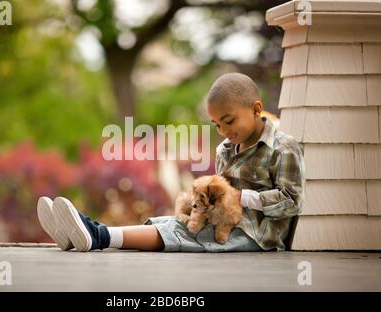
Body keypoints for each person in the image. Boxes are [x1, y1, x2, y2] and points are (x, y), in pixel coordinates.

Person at [37, 73, 305, 252]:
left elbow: (292, 201)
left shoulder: (284, 148)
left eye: (229, 121)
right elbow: (220, 192)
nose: (222, 131)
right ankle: (81, 234)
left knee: (180, 232)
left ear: (256, 109)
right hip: (223, 221)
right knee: (168, 222)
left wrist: (243, 197)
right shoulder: (226, 148)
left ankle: (96, 235)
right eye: (216, 125)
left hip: (255, 234)